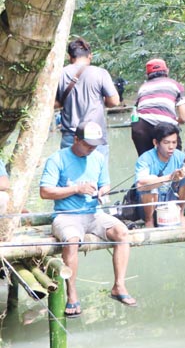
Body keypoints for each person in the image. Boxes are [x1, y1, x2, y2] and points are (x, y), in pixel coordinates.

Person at [40, 121, 136, 315]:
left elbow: (105, 184)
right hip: (67, 216)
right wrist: (76, 188)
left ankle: (119, 286)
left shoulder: (98, 158)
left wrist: (102, 191)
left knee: (122, 232)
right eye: (88, 145)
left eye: (95, 145)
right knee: (72, 240)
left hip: (94, 214)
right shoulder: (57, 159)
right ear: (76, 139)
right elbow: (45, 191)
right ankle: (72, 294)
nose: (92, 149)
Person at [55, 38, 119, 155]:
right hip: (95, 135)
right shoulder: (100, 73)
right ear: (90, 55)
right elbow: (114, 102)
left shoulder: (59, 74)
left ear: (70, 57)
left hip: (71, 136)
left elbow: (52, 103)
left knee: (70, 171)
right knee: (98, 172)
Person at [135, 123, 185, 226]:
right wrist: (170, 177)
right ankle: (149, 220)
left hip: (171, 201)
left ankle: (181, 213)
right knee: (151, 180)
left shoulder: (180, 156)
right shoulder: (145, 159)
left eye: (174, 142)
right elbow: (140, 185)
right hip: (149, 203)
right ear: (156, 143)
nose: (171, 147)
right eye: (166, 143)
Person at [131, 58, 185, 156]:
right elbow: (184, 117)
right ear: (167, 71)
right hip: (165, 124)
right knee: (175, 160)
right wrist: (175, 121)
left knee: (146, 161)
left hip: (141, 127)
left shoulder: (143, 87)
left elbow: (136, 111)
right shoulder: (176, 85)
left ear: (147, 74)